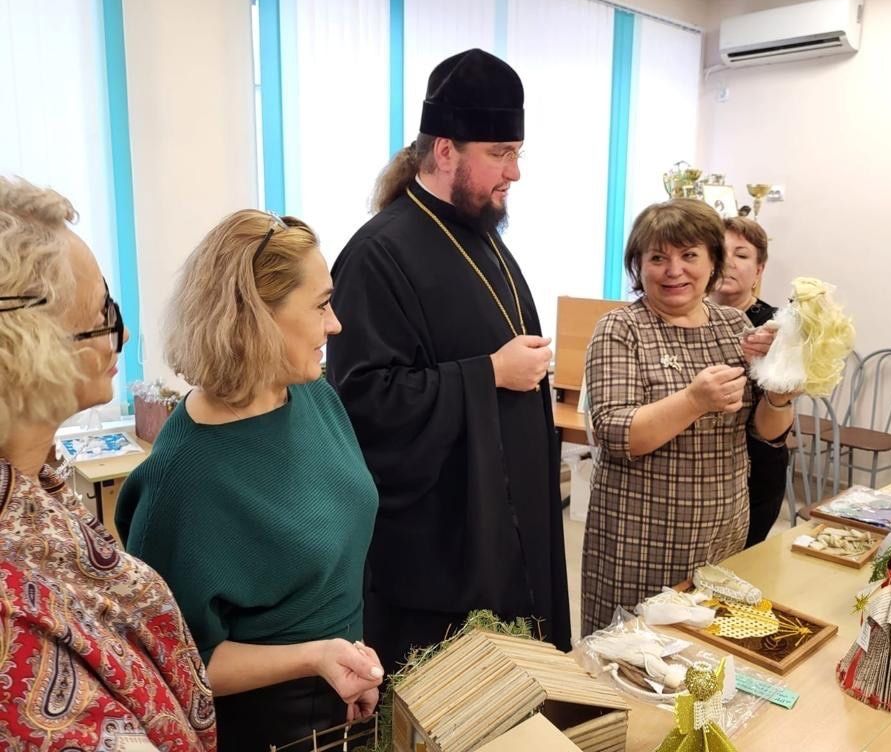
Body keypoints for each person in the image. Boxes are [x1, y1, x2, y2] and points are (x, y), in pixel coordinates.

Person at [326, 48, 571, 673]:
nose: (515, 172)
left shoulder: (480, 232)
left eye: (518, 152)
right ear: (444, 151)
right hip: (442, 555)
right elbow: (363, 404)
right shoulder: (377, 255)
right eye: (500, 153)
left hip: (509, 529)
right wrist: (488, 374)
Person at [116, 210, 383, 751]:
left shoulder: (314, 395)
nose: (336, 324)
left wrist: (350, 661)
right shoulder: (183, 478)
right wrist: (315, 657)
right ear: (256, 317)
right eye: (321, 305)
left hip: (347, 681)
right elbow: (177, 663)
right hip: (269, 723)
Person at [0, 176, 215, 750]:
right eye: (103, 311)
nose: (122, 331)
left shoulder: (40, 487)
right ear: (31, 342)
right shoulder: (13, 617)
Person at [581, 199, 797, 636]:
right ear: (638, 265)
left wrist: (780, 394)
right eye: (658, 258)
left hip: (723, 533)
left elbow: (764, 434)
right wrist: (694, 400)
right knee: (631, 655)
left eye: (689, 255)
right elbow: (616, 434)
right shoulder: (621, 328)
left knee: (707, 655)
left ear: (713, 262)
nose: (674, 270)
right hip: (638, 541)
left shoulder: (733, 326)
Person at [709, 216, 789, 547]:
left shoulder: (777, 327)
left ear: (759, 271)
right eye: (720, 251)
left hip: (756, 471)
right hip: (697, 472)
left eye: (741, 255)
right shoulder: (686, 318)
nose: (728, 261)